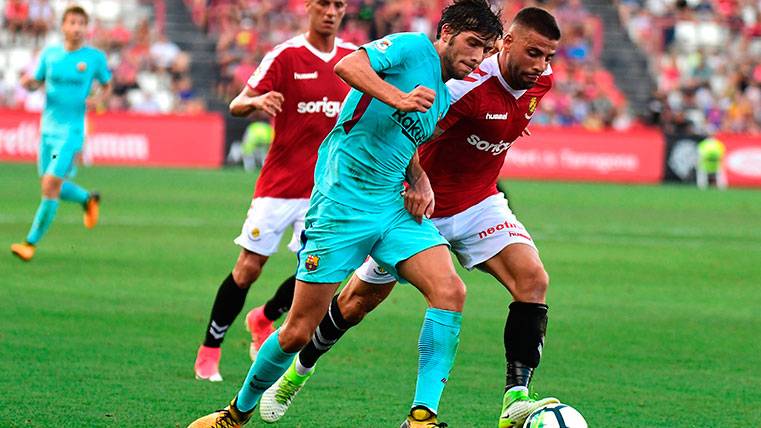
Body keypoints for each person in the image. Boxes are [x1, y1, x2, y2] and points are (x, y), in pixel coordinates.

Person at [187, 1, 503, 427]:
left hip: (391, 207)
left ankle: (422, 417)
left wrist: (421, 180)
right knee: (298, 330)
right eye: (472, 44)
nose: (477, 57)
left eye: (485, 50)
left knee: (450, 292)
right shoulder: (412, 49)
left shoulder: (443, 96)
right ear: (445, 32)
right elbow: (349, 66)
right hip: (341, 203)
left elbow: (402, 141)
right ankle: (236, 413)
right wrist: (398, 96)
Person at [258, 7, 562, 428]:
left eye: (548, 57)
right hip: (421, 206)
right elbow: (410, 131)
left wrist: (503, 128)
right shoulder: (460, 87)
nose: (541, 66)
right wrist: (416, 180)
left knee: (533, 280)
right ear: (507, 43)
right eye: (533, 53)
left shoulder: (539, 82)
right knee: (357, 302)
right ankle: (298, 371)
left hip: (478, 202)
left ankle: (515, 400)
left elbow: (505, 118)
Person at [193, 0, 356, 382]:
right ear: (309, 9)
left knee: (312, 272)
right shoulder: (285, 56)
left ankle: (264, 317)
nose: (331, 12)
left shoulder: (353, 60)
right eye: (323, 4)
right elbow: (237, 103)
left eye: (338, 5)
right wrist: (257, 101)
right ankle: (209, 350)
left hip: (325, 191)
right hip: (279, 186)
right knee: (248, 269)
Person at [10, 5, 111, 262]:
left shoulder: (94, 58)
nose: (77, 28)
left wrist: (98, 100)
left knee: (49, 184)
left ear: (86, 28)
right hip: (47, 130)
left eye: (81, 23)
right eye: (73, 23)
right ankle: (88, 199)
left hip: (71, 131)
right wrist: (28, 83)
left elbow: (107, 85)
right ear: (63, 26)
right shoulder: (50, 55)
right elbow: (36, 82)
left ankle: (29, 243)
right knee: (51, 184)